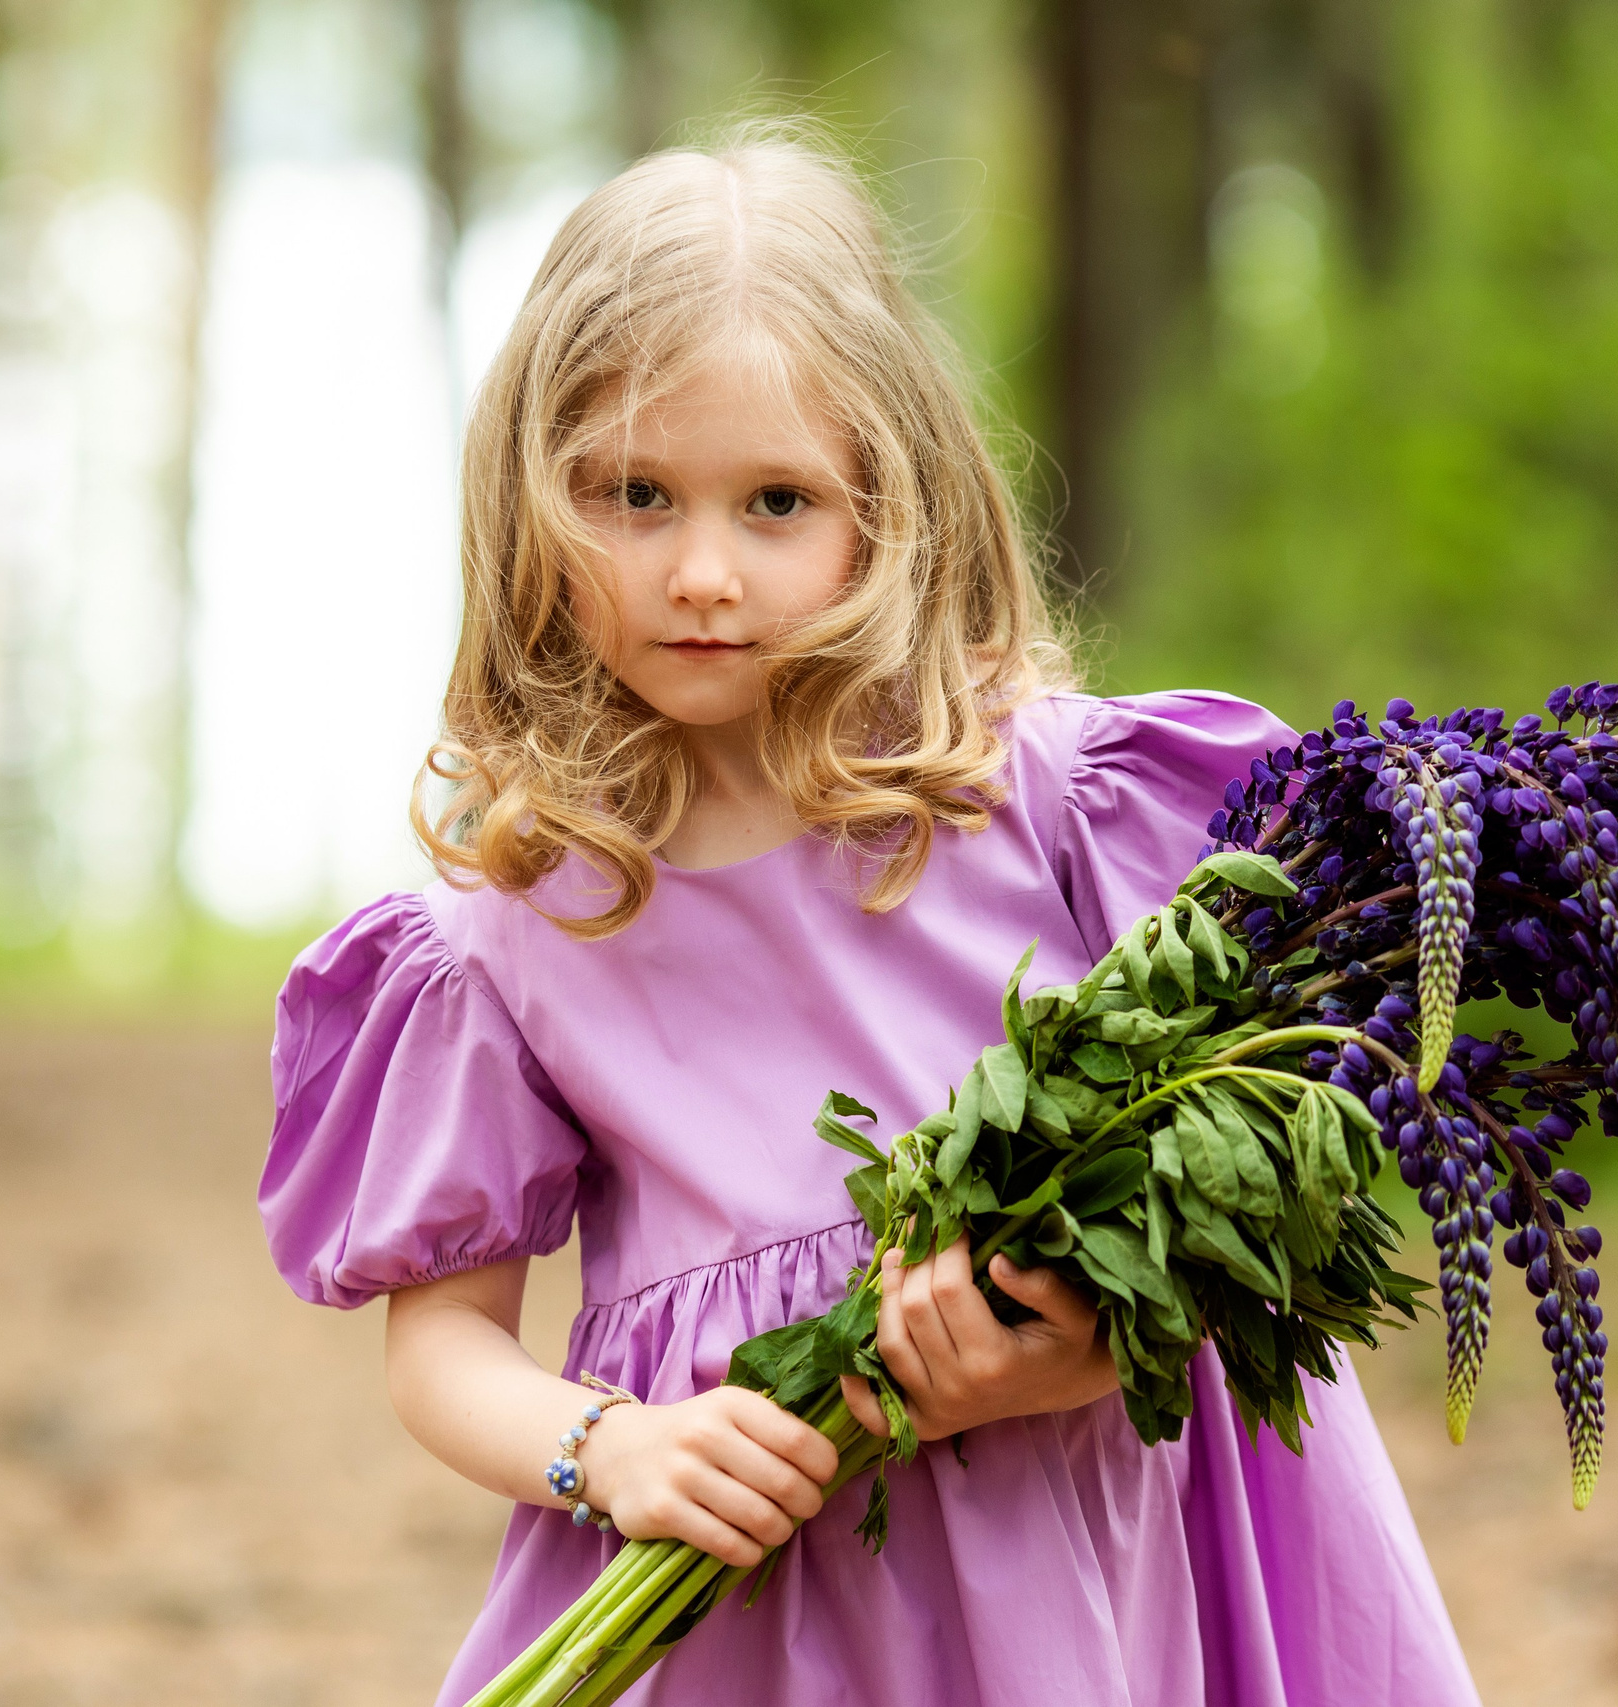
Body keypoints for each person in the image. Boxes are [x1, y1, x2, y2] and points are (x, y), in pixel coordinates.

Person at [259, 129, 1482, 1707]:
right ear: (529, 498)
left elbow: (1268, 1200)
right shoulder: (517, 919)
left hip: (1059, 1566)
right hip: (739, 1606)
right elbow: (442, 1353)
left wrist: (1086, 1342)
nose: (702, 571)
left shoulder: (1047, 808)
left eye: (775, 502)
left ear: (883, 507)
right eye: (635, 495)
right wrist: (611, 1448)